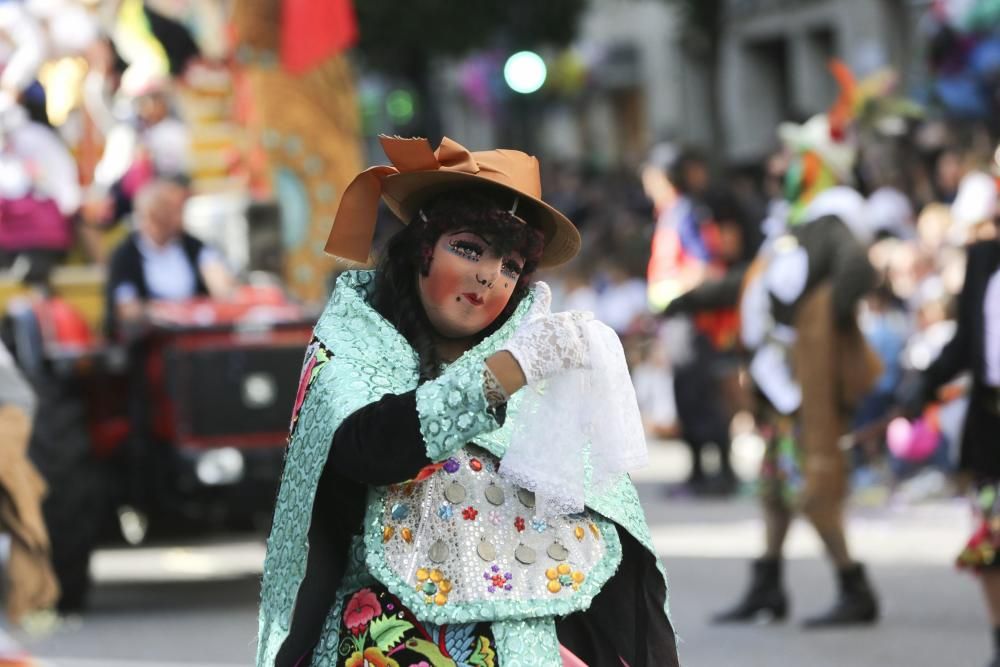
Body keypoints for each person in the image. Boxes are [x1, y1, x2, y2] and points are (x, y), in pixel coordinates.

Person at [257, 136, 678, 667]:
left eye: (510, 266)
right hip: (383, 641)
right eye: (470, 249)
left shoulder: (535, 352)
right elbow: (367, 449)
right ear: (421, 249)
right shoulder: (353, 339)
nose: (489, 276)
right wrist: (501, 376)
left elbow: (596, 532)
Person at [898, 209, 1000, 666]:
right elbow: (965, 342)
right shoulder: (982, 259)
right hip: (990, 421)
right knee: (990, 539)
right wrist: (927, 381)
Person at [104, 177, 234, 339]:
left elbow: (222, 286)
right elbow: (126, 308)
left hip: (194, 336)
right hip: (150, 342)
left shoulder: (193, 246)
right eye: (169, 211)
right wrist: (159, 311)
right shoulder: (125, 255)